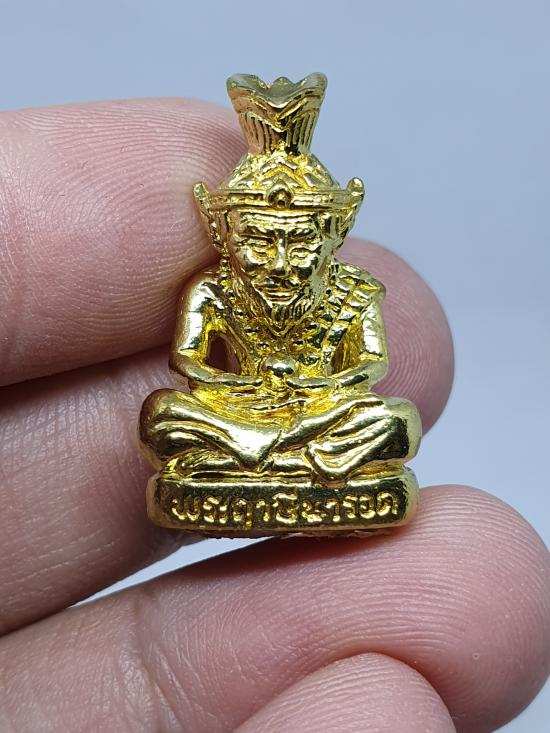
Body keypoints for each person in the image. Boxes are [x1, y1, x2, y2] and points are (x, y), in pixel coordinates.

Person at [0, 94, 548, 731]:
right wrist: (249, 392)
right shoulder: (212, 290)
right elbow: (192, 363)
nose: (281, 262)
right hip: (242, 408)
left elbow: (369, 366)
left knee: (394, 421)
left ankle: (261, 453)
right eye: (261, 242)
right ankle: (277, 451)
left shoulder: (352, 291)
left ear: (332, 235)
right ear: (225, 235)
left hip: (318, 409)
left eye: (300, 242)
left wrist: (311, 390)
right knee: (164, 416)